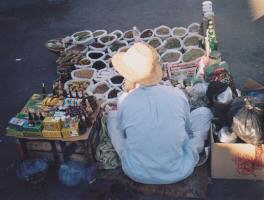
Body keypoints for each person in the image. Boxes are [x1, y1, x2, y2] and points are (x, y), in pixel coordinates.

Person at [107, 42, 213, 184]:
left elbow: (123, 133)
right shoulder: (177, 94)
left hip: (136, 172)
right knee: (204, 113)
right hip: (179, 170)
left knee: (112, 117)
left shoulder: (125, 100)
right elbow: (188, 129)